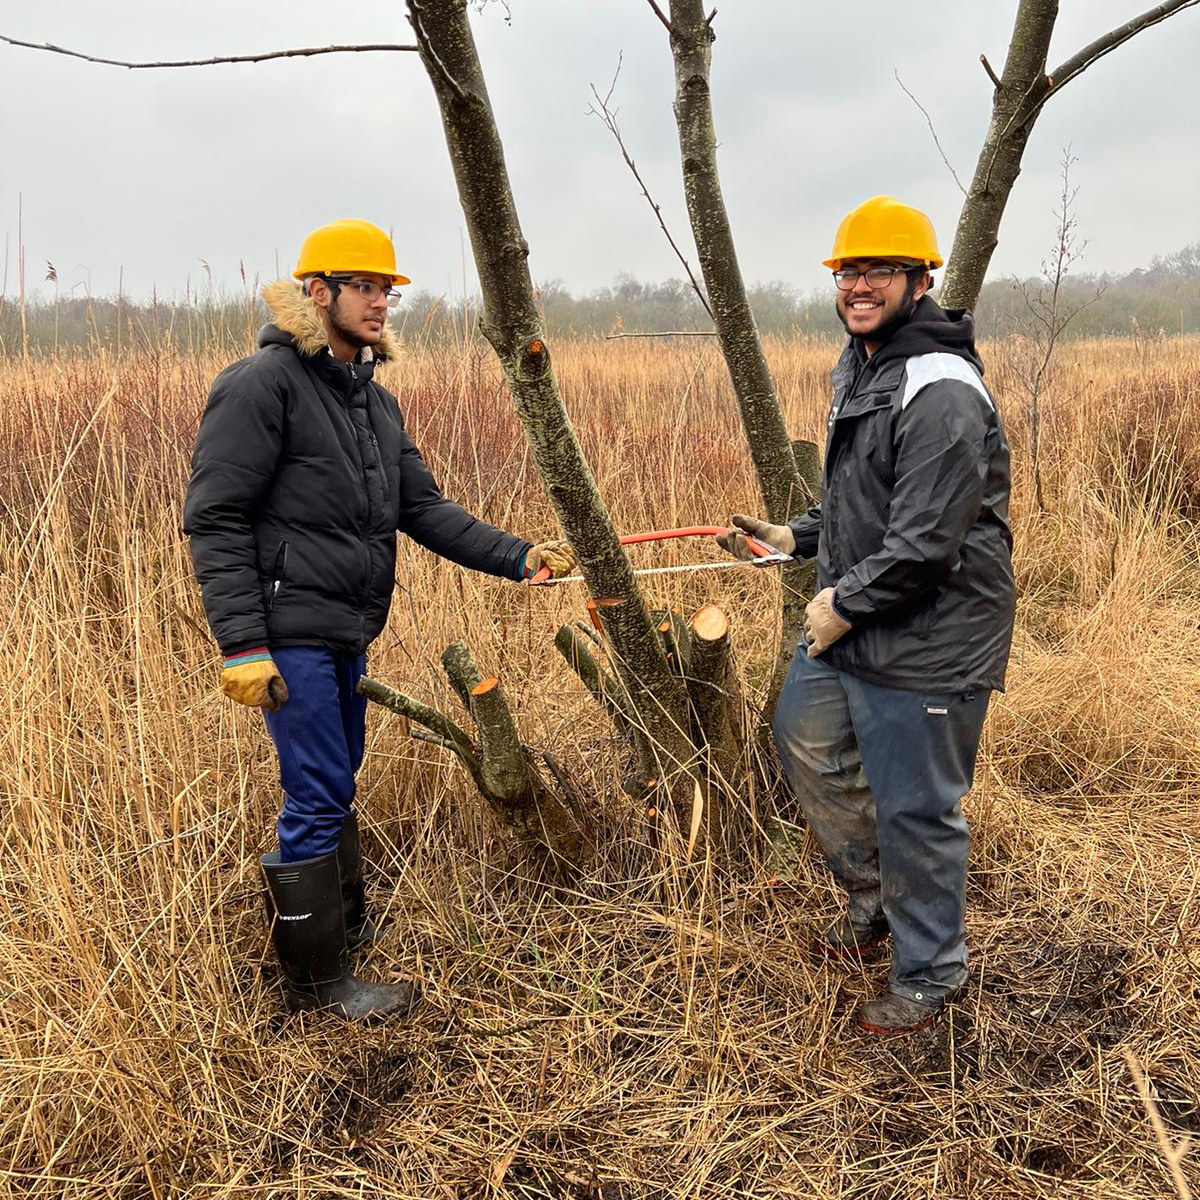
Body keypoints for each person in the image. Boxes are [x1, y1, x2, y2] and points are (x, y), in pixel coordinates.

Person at [183, 219, 575, 1020]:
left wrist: (519, 555)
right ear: (316, 292)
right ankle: (317, 984)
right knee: (320, 793)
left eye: (388, 290)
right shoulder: (262, 385)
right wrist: (243, 646)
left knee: (331, 785)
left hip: (346, 631)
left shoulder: (373, 403)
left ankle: (337, 933)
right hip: (286, 633)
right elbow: (215, 518)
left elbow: (424, 510)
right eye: (364, 287)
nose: (381, 303)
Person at [719, 196, 1015, 1035]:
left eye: (879, 271)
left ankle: (930, 975)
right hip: (862, 616)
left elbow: (925, 542)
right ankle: (878, 903)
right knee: (805, 741)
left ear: (919, 282)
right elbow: (864, 501)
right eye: (849, 271)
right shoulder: (866, 363)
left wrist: (841, 604)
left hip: (932, 635)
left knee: (917, 808)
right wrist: (796, 536)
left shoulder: (940, 387)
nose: (859, 285)